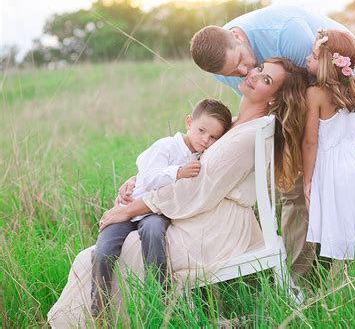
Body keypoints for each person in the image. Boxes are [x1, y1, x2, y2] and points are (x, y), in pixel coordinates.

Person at [48, 58, 308, 327]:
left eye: (266, 80)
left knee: (111, 255)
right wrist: (138, 181)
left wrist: (130, 209)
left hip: (217, 231)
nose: (254, 76)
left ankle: (129, 319)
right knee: (104, 252)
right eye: (260, 69)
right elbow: (186, 165)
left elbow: (197, 189)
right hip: (204, 218)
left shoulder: (245, 136)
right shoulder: (231, 123)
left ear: (275, 99)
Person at [190, 4, 355, 276]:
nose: (244, 71)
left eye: (242, 61)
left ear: (237, 38)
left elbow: (316, 91)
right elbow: (258, 106)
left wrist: (309, 158)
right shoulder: (223, 66)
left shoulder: (287, 35)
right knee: (292, 187)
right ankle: (299, 278)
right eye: (233, 72)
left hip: (337, 77)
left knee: (338, 175)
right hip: (289, 92)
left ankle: (349, 270)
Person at [90, 98, 232, 318]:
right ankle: (99, 311)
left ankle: (159, 300)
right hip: (130, 205)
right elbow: (147, 178)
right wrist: (178, 172)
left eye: (213, 137)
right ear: (188, 122)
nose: (205, 140)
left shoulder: (202, 156)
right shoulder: (167, 145)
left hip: (155, 211)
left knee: (155, 231)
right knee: (103, 250)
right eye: (201, 130)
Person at [303, 29, 355, 264]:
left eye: (312, 55)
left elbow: (310, 142)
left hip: (333, 170)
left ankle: (341, 284)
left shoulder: (314, 93)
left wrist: (306, 180)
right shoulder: (352, 88)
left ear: (327, 64)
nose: (307, 59)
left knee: (339, 230)